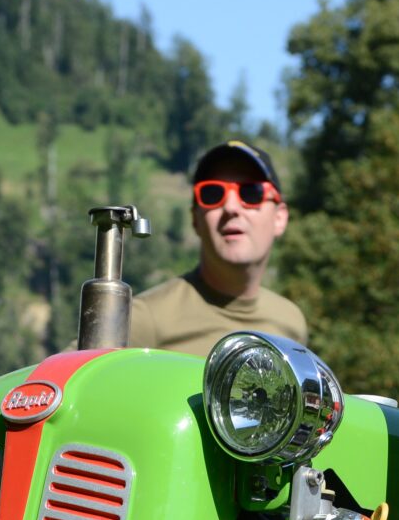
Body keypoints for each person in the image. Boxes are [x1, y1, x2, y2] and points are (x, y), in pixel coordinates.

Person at [130, 140, 310, 357]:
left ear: (279, 218)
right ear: (195, 219)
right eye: (212, 194)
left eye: (250, 193)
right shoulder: (144, 320)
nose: (230, 207)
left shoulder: (291, 323)